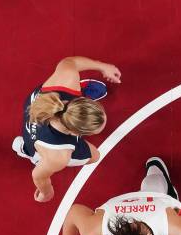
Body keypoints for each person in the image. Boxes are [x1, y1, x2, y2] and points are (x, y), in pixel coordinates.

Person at [12, 56, 121, 202]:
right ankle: (27, 151)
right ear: (76, 133)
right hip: (42, 146)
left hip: (33, 109)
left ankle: (28, 146)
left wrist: (102, 66)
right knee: (95, 156)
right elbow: (38, 175)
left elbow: (70, 62)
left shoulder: (67, 79)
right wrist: (47, 192)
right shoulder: (59, 156)